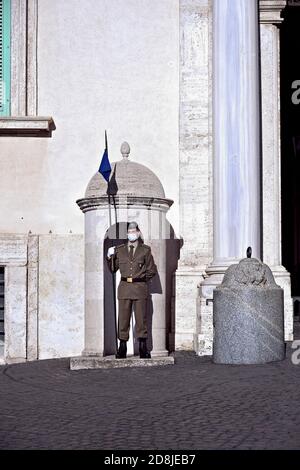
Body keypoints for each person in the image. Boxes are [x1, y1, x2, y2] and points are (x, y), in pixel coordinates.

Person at [107, 222, 157, 359]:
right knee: (123, 319)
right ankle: (122, 347)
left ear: (139, 233)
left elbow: (152, 270)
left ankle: (142, 347)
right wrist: (109, 256)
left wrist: (140, 278)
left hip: (140, 288)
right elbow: (112, 269)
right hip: (124, 288)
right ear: (127, 233)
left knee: (141, 319)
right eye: (129, 231)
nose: (131, 233)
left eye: (134, 231)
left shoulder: (145, 250)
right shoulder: (120, 250)